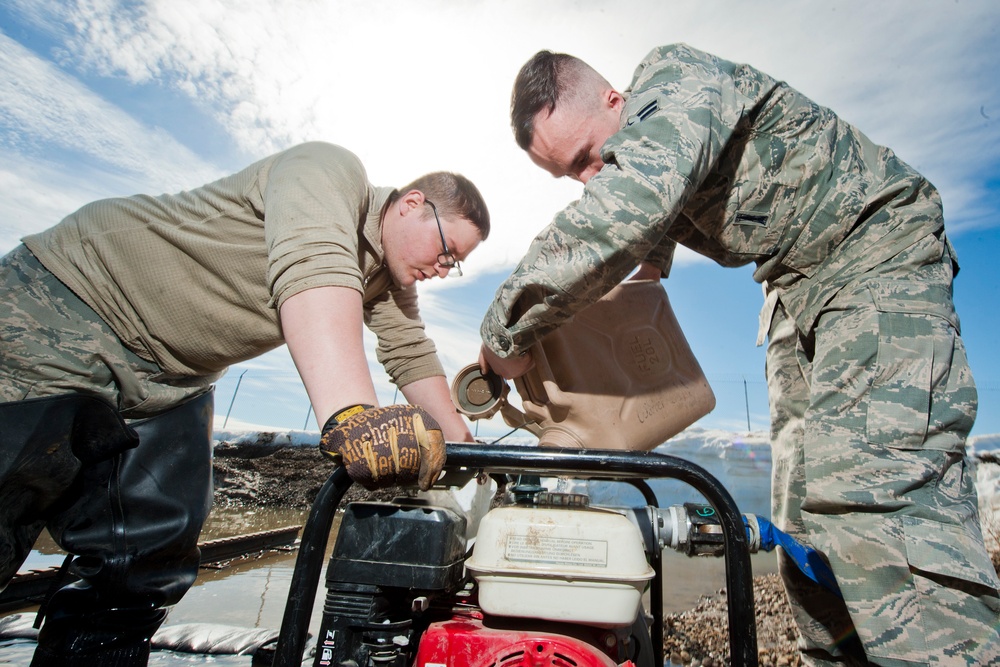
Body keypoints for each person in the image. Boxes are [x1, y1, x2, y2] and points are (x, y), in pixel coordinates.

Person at [479, 45, 999, 666]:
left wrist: (505, 328)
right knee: (806, 520)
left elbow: (622, 211)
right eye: (573, 176)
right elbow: (629, 262)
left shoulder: (673, 82)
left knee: (874, 491)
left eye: (588, 157)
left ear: (617, 101)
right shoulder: (649, 163)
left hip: (873, 254)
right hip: (797, 290)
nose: (593, 177)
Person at [0, 140, 489, 666]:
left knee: (147, 559)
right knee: (12, 492)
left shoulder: (385, 280)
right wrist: (352, 415)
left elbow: (410, 350)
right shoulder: (330, 173)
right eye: (447, 251)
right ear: (412, 203)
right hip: (73, 302)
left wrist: (469, 453)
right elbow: (314, 263)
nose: (444, 269)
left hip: (173, 378)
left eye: (454, 265)